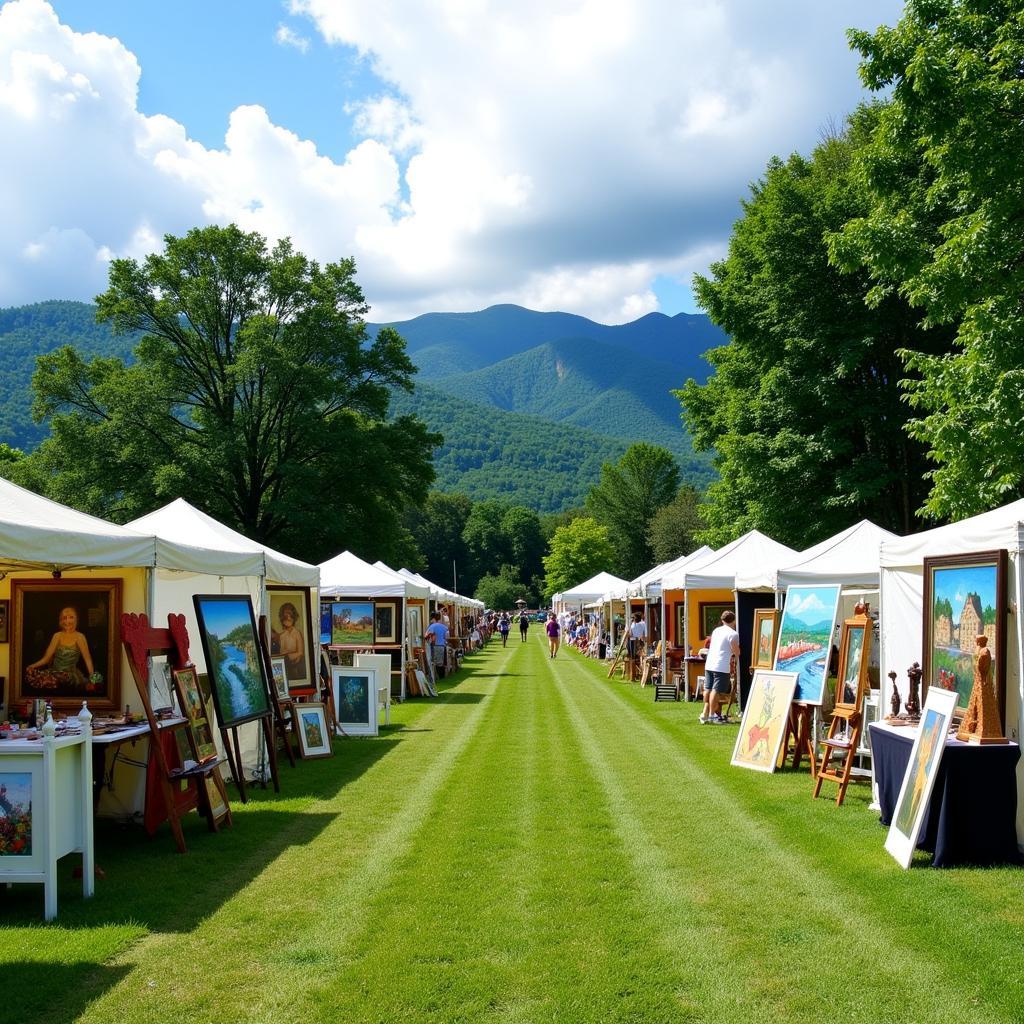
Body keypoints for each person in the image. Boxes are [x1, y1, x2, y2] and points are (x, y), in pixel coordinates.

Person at [26, 605, 97, 687]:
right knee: (35, 677)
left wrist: (93, 681)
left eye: (71, 617)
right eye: (65, 618)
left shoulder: (80, 637)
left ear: (76, 619)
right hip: (54, 673)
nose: (67, 621)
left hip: (70, 675)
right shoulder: (57, 636)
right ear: (61, 621)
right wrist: (31, 666)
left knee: (59, 680)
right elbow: (46, 659)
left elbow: (88, 660)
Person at [701, 609, 738, 724]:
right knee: (715, 691)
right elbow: (735, 650)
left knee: (708, 689)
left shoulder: (716, 630)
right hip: (721, 665)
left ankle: (704, 714)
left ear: (722, 620)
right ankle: (712, 716)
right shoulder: (733, 634)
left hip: (710, 663)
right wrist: (737, 655)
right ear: (734, 621)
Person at [273, 601, 307, 681]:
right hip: (284, 666)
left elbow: (300, 652)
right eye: (285, 617)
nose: (288, 619)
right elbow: (280, 652)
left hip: (295, 666)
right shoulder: (281, 635)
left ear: (294, 618)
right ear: (282, 618)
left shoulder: (297, 633)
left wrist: (287, 657)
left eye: (290, 616)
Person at [424, 611, 450, 677]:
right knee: (441, 662)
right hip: (443, 646)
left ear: (433, 618)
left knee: (436, 662)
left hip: (435, 645)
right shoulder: (444, 627)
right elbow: (447, 637)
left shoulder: (432, 626)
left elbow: (426, 636)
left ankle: (439, 676)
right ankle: (442, 676)